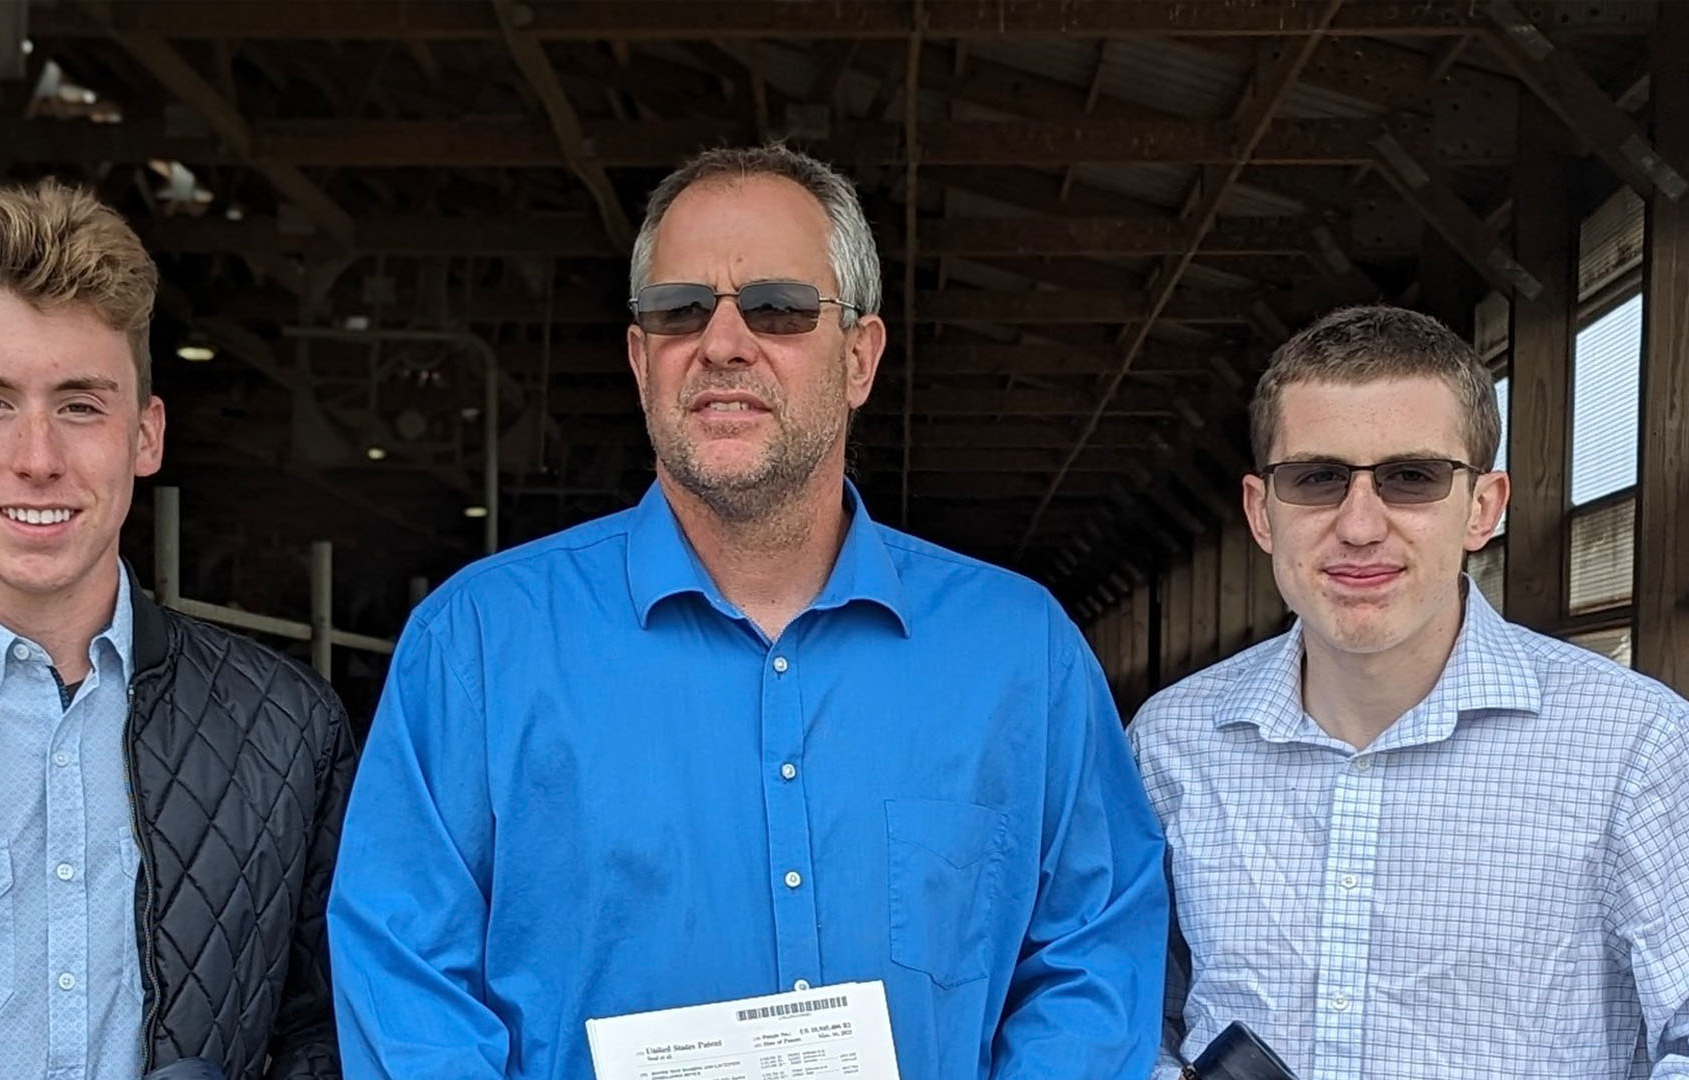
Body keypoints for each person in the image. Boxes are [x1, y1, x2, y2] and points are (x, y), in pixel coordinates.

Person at [328, 144, 1168, 1080]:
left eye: (777, 307)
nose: (723, 343)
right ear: (641, 360)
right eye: (681, 310)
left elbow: (1091, 956)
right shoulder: (477, 646)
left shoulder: (1020, 653)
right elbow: (406, 983)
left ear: (859, 356)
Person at [0, 180, 352, 1080]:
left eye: (81, 405)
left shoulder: (289, 733)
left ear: (145, 435)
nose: (37, 459)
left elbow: (330, 1033)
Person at [1130, 304, 1689, 1077]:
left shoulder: (1637, 743)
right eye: (1318, 479)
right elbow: (1130, 1012)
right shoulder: (1171, 743)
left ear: (1483, 508)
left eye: (1411, 478)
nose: (1360, 525)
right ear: (1263, 512)